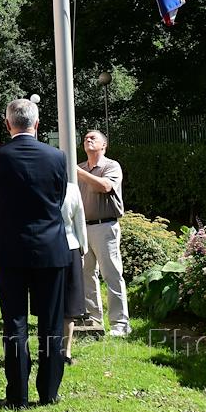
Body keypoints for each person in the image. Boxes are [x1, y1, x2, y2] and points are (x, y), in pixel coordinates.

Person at [0, 98, 69, 408]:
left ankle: (17, 395)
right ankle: (49, 393)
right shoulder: (57, 157)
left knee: (15, 324)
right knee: (51, 325)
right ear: (37, 124)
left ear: (8, 125)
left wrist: (6, 221)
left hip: (10, 249)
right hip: (49, 248)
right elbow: (57, 199)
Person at [77, 129, 131, 336]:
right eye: (85, 138)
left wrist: (78, 172)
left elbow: (105, 187)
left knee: (112, 274)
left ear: (104, 145)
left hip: (105, 226)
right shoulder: (80, 167)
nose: (88, 140)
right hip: (83, 227)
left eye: (93, 138)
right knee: (86, 274)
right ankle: (93, 319)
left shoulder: (111, 166)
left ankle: (120, 324)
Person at [60, 178, 88, 364]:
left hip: (45, 248)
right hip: (70, 246)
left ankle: (53, 349)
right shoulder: (72, 189)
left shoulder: (37, 187)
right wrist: (83, 249)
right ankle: (66, 351)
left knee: (49, 303)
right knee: (69, 305)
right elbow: (80, 222)